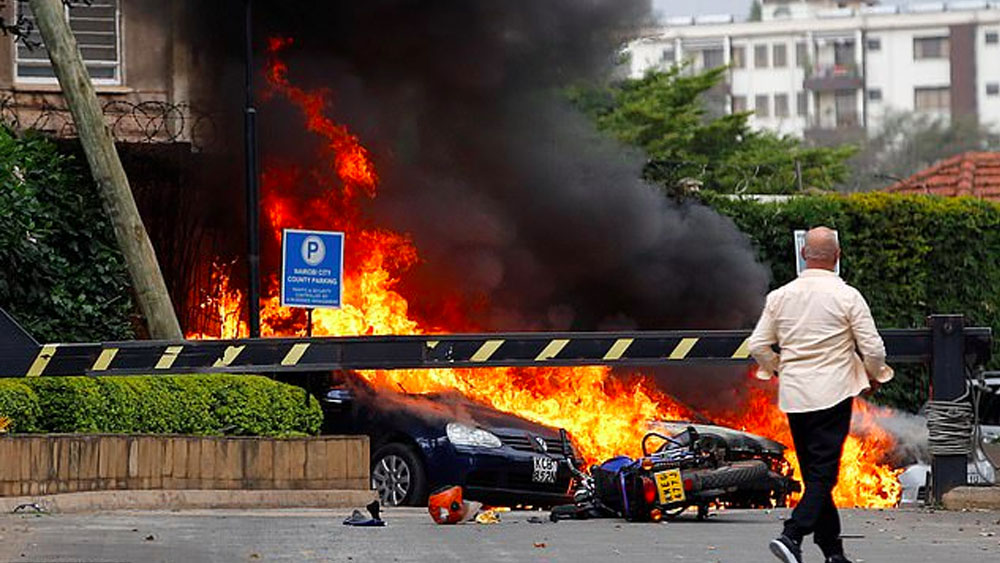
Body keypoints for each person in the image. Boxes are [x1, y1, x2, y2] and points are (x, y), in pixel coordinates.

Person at [748, 226, 893, 563]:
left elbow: (758, 345)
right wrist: (875, 375)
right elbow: (872, 348)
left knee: (816, 473)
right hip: (834, 391)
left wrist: (778, 367)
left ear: (803, 256)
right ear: (837, 257)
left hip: (796, 395)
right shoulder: (848, 297)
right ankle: (792, 534)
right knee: (824, 475)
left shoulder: (780, 297)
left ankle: (834, 553)